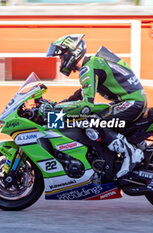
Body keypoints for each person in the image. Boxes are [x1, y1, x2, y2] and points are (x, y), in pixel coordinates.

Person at [43, 34, 147, 179]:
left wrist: (56, 111)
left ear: (72, 52)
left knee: (91, 120)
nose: (61, 61)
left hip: (131, 103)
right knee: (93, 116)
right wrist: (58, 104)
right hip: (130, 102)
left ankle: (130, 153)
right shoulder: (92, 64)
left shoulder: (88, 67)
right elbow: (80, 94)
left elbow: (86, 105)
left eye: (61, 57)